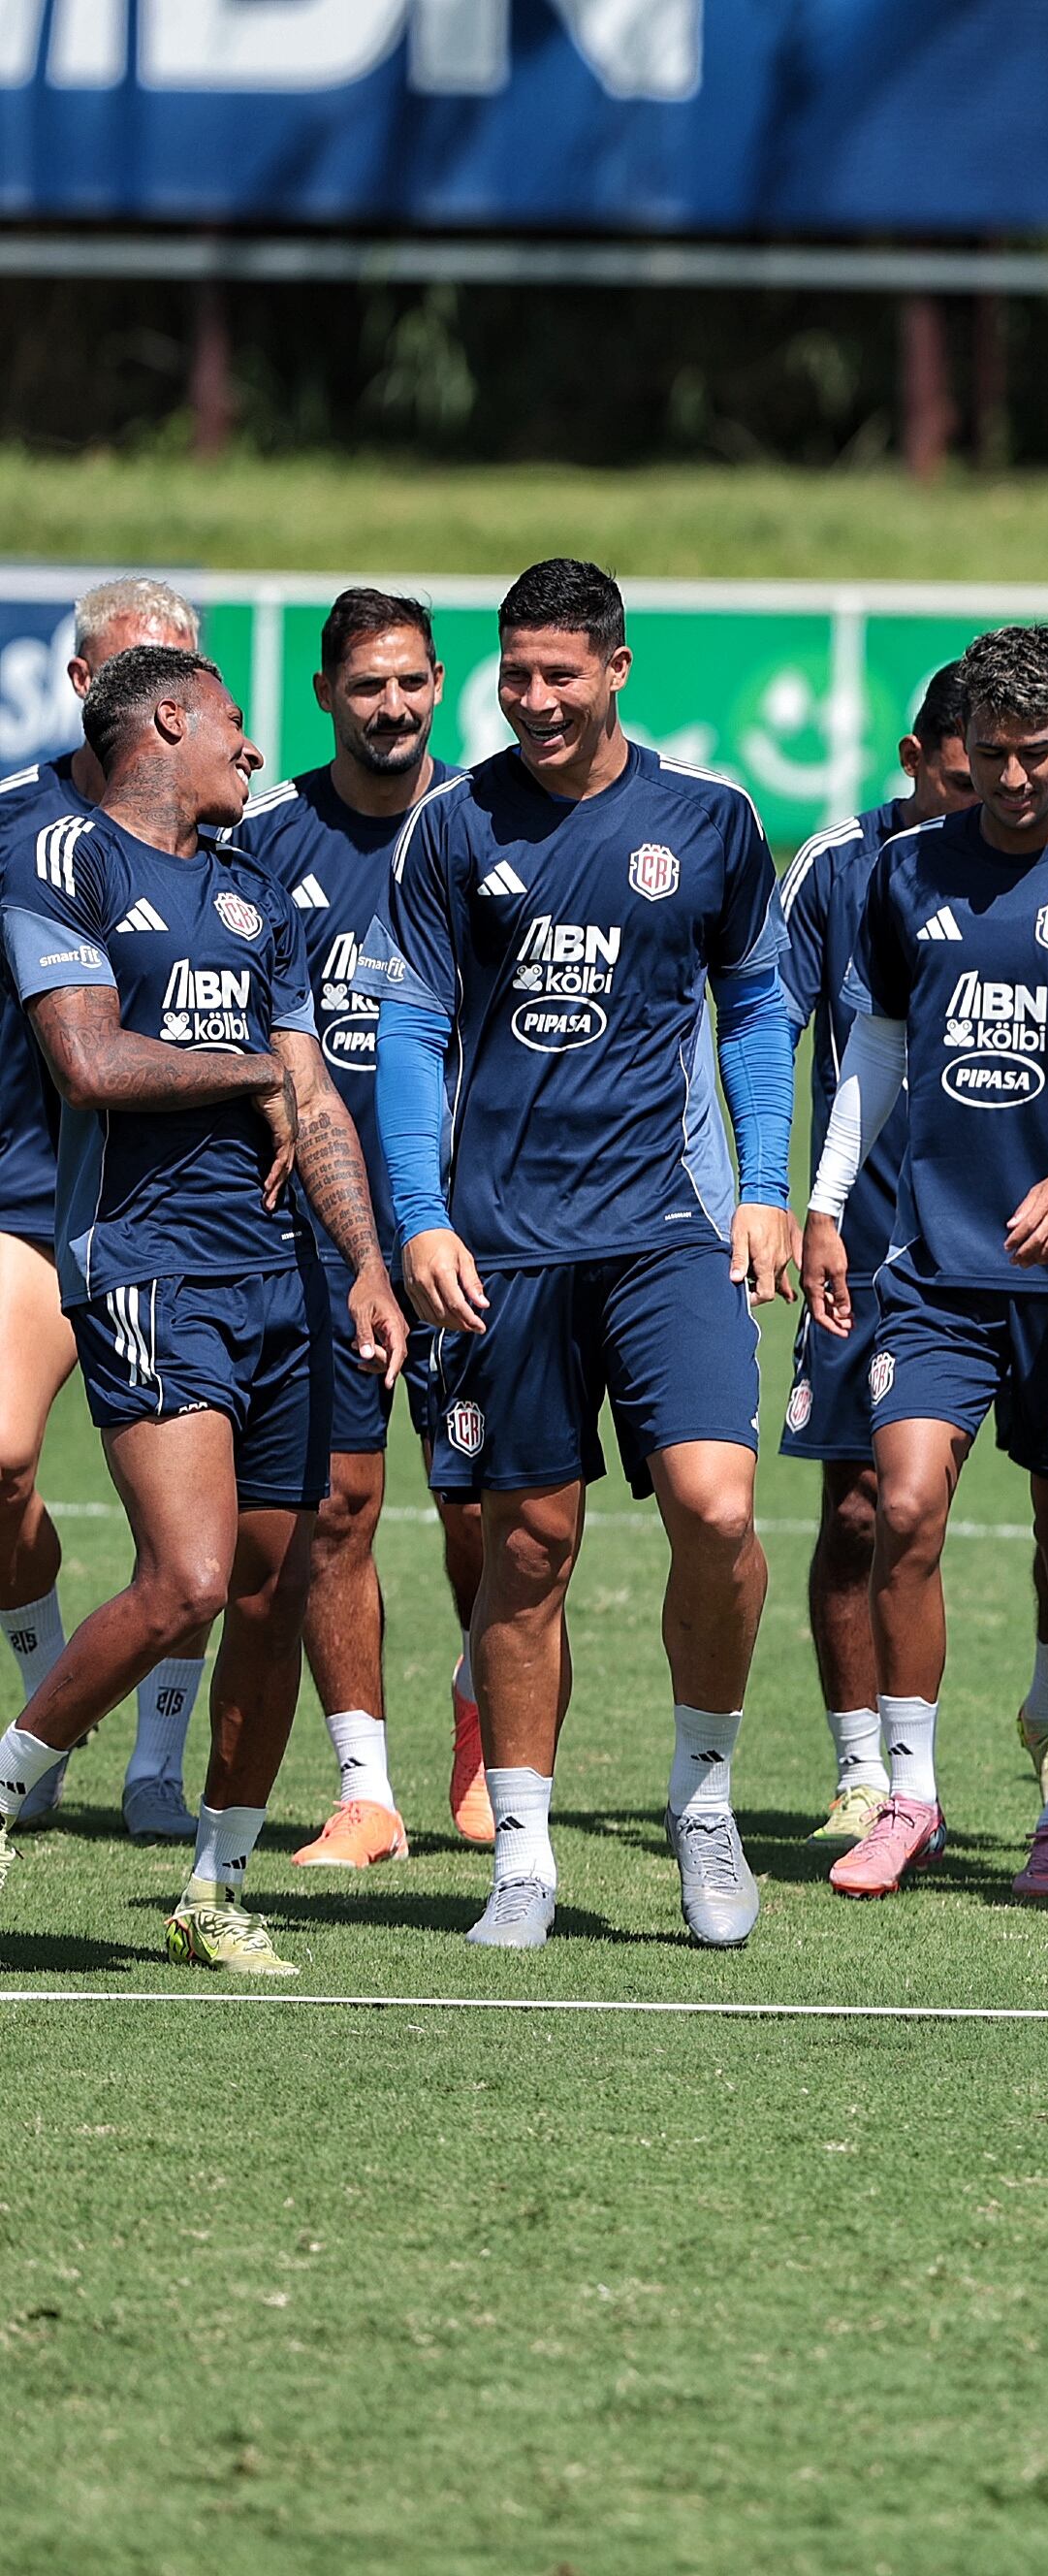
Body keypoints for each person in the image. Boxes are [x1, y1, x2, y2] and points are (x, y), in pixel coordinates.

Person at [362, 558, 797, 1954]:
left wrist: (768, 1185)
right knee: (528, 1548)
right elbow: (415, 1033)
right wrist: (420, 1217)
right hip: (504, 1249)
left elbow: (756, 1010)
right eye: (518, 674)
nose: (537, 701)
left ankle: (705, 1801)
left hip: (669, 1227)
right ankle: (527, 1857)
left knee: (718, 1511)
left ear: (617, 668)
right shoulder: (450, 827)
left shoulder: (711, 819)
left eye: (563, 674)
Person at [0, 647, 404, 1971]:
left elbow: (316, 1105)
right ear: (167, 719)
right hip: (148, 1265)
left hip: (283, 1271)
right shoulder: (66, 861)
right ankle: (12, 1783)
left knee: (279, 1586)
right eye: (234, 722)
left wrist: (362, 1263)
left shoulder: (259, 894)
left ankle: (214, 1890)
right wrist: (251, 1078)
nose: (251, 745)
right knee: (190, 1578)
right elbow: (90, 1058)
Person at [802, 627, 1048, 1905]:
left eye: (1035, 753)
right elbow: (878, 1049)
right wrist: (829, 1203)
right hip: (937, 1260)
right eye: (992, 756)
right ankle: (909, 1796)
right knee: (900, 1509)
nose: (1012, 779)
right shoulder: (904, 873)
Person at [228, 588, 460, 1871]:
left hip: (480, 1231)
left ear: (440, 685)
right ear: (326, 694)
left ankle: (492, 1758)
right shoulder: (266, 844)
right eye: (367, 685)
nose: (392, 707)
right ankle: (367, 1792)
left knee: (504, 1517)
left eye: (412, 683)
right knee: (336, 1510)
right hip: (318, 1236)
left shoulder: (486, 828)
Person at [0, 576, 229, 1844]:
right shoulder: (14, 827)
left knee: (193, 1533)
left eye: (185, 670)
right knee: (1, 1461)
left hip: (192, 1220)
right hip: (31, 1204)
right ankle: (46, 1697)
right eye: (140, 669)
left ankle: (155, 1763)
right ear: (83, 685)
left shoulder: (232, 832)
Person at [776, 660, 978, 1842]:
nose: (983, 803)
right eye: (958, 780)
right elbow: (767, 1015)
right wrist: (776, 1198)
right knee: (858, 1509)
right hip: (865, 1237)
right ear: (914, 762)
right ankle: (865, 1771)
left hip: (1014, 1236)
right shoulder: (841, 867)